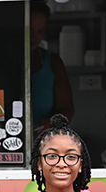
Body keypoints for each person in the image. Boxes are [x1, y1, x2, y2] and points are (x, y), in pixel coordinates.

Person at [31, 0, 74, 134]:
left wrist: (53, 122)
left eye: (40, 31)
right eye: (29, 30)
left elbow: (66, 108)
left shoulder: (53, 63)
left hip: (44, 146)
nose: (33, 37)